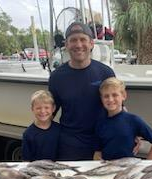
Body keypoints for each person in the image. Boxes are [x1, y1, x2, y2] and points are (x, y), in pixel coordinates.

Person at [48, 21, 116, 160]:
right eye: (73, 40)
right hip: (70, 146)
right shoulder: (56, 77)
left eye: (83, 39)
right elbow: (49, 114)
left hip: (102, 143)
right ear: (66, 45)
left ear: (91, 43)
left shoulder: (105, 73)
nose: (78, 45)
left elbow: (118, 109)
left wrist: (132, 131)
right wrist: (35, 137)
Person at [94, 77, 152, 160]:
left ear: (123, 95)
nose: (110, 99)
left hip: (128, 168)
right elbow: (98, 151)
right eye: (106, 96)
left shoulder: (134, 120)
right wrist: (98, 160)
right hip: (108, 168)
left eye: (115, 95)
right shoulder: (100, 123)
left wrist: (147, 164)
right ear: (101, 99)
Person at [22, 90, 60, 161]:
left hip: (57, 169)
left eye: (46, 107)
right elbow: (26, 161)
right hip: (37, 170)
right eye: (38, 108)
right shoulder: (28, 134)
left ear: (53, 108)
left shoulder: (59, 130)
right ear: (32, 109)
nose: (42, 111)